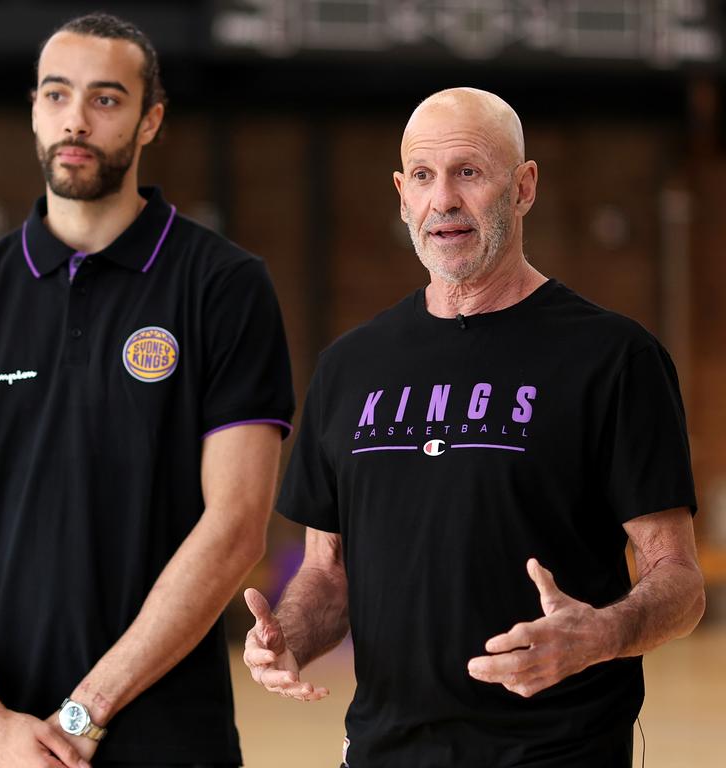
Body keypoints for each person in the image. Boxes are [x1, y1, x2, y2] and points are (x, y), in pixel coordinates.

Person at [242, 87, 705, 768]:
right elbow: (330, 570)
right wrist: (288, 634)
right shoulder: (350, 365)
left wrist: (600, 634)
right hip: (382, 753)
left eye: (470, 172)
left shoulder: (613, 359)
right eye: (424, 176)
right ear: (402, 196)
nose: (445, 200)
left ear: (523, 187)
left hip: (556, 754)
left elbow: (680, 580)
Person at [0, 12, 294, 768]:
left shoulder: (223, 287)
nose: (76, 118)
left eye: (106, 99)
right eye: (57, 95)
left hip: (164, 730)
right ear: (35, 110)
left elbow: (236, 526)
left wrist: (85, 713)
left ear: (151, 121)